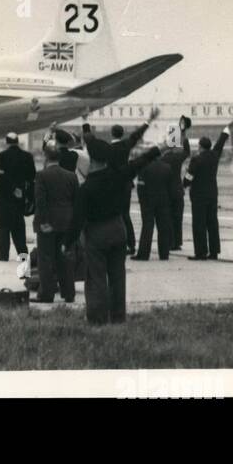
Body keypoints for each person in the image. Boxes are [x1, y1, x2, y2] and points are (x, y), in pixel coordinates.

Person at [71, 137, 162, 324]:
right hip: (118, 229)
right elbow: (138, 162)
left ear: (92, 160)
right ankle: (118, 316)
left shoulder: (86, 188)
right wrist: (158, 149)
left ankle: (97, 319)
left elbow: (78, 219)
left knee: (96, 278)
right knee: (117, 277)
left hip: (96, 233)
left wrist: (67, 242)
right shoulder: (118, 175)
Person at [107, 107, 159, 255]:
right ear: (122, 134)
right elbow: (137, 135)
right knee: (125, 215)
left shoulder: (108, 149)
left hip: (112, 185)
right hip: (125, 184)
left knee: (112, 216)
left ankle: (116, 244)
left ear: (112, 133)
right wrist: (149, 120)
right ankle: (131, 244)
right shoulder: (125, 145)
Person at [32, 142, 80, 303]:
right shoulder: (71, 176)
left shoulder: (41, 175)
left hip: (48, 224)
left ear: (46, 157)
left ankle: (46, 294)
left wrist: (43, 221)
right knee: (66, 258)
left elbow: (40, 201)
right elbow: (77, 200)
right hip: (67, 222)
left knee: (45, 259)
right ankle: (69, 293)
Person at [185, 120, 233, 260]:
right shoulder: (214, 156)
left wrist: (184, 184)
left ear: (200, 147)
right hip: (212, 194)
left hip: (198, 196)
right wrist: (227, 128)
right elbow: (221, 141)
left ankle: (200, 252)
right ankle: (214, 252)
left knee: (199, 224)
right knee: (212, 222)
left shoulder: (196, 160)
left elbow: (189, 176)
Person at [0, 132, 35, 261]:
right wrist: (23, 191)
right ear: (17, 141)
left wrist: (12, 189)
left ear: (7, 142)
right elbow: (32, 176)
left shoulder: (2, 156)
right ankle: (22, 254)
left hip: (4, 196)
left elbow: (0, 176)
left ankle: (3, 255)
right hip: (20, 197)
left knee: (3, 227)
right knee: (18, 227)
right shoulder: (27, 156)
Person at [133, 146, 174, 261]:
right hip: (164, 201)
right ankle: (164, 254)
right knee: (163, 228)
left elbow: (140, 187)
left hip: (148, 202)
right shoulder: (167, 168)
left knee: (147, 227)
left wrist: (142, 201)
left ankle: (144, 254)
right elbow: (170, 187)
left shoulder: (144, 167)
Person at [159, 118, 191, 251]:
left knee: (167, 218)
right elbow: (187, 152)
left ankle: (169, 242)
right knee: (178, 218)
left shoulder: (162, 159)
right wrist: (183, 134)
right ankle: (177, 243)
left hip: (166, 192)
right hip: (178, 191)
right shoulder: (178, 158)